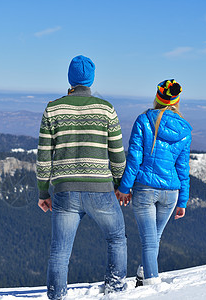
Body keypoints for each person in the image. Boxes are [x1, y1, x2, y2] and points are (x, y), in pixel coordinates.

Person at [36, 55, 127, 299]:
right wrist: (120, 185)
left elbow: (44, 156)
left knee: (59, 252)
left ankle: (57, 296)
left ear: (70, 79)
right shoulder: (106, 108)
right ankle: (115, 290)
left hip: (64, 190)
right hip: (101, 189)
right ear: (91, 79)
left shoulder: (53, 108)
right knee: (116, 238)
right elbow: (117, 153)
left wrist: (43, 192)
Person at [116, 79, 192, 287]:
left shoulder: (143, 121)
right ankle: (143, 274)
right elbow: (183, 169)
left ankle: (151, 285)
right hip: (171, 192)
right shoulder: (185, 130)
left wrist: (124, 188)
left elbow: (134, 158)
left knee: (149, 240)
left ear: (158, 98)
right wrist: (183, 201)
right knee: (154, 239)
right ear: (176, 101)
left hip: (145, 189)